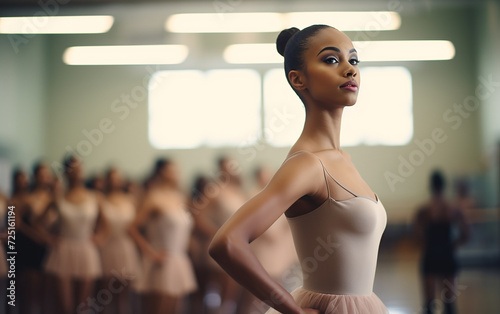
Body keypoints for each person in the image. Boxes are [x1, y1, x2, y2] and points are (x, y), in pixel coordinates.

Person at [209, 25, 388, 314]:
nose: (350, 69)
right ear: (298, 78)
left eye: (353, 60)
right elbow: (227, 242)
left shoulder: (341, 159)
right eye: (331, 60)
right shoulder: (307, 164)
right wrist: (292, 309)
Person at [129, 158, 197, 314]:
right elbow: (132, 228)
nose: (177, 173)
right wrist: (150, 252)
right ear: (162, 172)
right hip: (162, 260)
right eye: (172, 169)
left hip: (179, 259)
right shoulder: (154, 197)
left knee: (176, 309)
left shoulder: (180, 197)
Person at [42, 156, 108, 314]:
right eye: (72, 168)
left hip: (86, 250)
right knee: (65, 305)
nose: (76, 171)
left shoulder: (95, 197)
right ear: (66, 172)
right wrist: (47, 238)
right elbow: (37, 221)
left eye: (79, 167)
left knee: (83, 306)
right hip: (63, 249)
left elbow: (106, 225)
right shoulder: (58, 197)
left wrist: (100, 237)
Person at [414, 170, 470, 314]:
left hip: (431, 255)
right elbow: (466, 232)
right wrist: (453, 245)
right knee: (449, 304)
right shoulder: (452, 209)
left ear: (430, 186)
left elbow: (416, 234)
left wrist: (427, 245)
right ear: (444, 186)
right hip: (447, 254)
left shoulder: (424, 210)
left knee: (429, 305)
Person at [99, 167, 141, 314]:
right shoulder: (101, 200)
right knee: (106, 294)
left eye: (118, 177)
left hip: (126, 247)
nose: (116, 181)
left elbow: (137, 226)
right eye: (113, 177)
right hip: (109, 247)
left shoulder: (131, 199)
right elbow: (99, 227)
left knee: (125, 295)